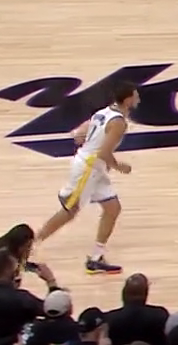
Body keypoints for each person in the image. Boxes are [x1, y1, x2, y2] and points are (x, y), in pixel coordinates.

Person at [35, 79, 140, 274]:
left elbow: (79, 134)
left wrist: (85, 136)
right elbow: (104, 153)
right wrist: (120, 167)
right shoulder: (118, 123)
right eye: (135, 96)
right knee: (69, 211)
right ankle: (30, 245)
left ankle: (96, 258)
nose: (138, 99)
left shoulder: (104, 112)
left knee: (113, 208)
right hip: (88, 169)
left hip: (93, 168)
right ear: (127, 100)